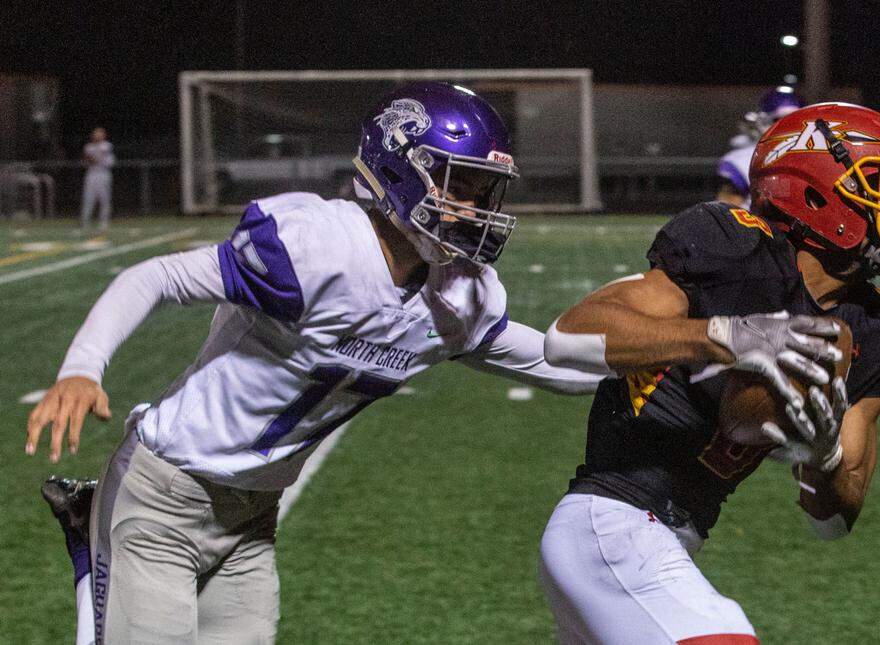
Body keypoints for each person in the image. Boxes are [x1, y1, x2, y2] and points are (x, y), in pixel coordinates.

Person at [27, 82, 599, 645]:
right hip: (163, 497)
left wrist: (675, 359)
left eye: (485, 191)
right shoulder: (318, 248)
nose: (474, 209)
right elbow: (158, 276)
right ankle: (94, 542)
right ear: (401, 168)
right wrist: (82, 368)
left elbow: (558, 363)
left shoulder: (458, 297)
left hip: (250, 519)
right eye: (461, 186)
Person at [540, 103, 880, 643]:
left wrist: (823, 458)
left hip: (671, 540)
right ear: (819, 188)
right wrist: (727, 337)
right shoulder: (735, 243)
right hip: (612, 521)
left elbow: (833, 521)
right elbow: (567, 337)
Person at [716, 85, 803, 207]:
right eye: (780, 121)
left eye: (794, 122)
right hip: (756, 225)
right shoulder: (744, 160)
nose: (787, 128)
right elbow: (726, 213)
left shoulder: (820, 156)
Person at [80, 127, 114, 230]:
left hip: (103, 173)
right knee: (88, 198)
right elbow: (87, 161)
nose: (98, 136)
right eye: (96, 134)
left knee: (104, 199)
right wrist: (90, 159)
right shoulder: (88, 147)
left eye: (100, 134)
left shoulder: (107, 146)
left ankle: (104, 222)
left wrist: (96, 159)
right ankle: (85, 222)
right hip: (92, 174)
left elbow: (107, 161)